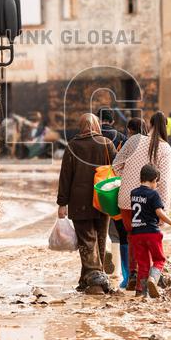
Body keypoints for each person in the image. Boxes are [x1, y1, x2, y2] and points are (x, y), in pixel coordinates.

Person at [57, 113, 118, 294]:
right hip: (103, 197)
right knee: (99, 239)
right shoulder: (107, 144)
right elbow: (118, 168)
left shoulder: (73, 146)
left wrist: (62, 203)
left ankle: (95, 280)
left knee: (87, 240)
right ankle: (87, 280)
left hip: (79, 201)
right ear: (97, 126)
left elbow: (65, 177)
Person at [117, 112, 171, 291]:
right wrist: (162, 209)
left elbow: (116, 165)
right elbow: (163, 181)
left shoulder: (134, 141)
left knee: (133, 236)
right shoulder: (165, 149)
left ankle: (133, 275)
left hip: (127, 198)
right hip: (150, 202)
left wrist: (127, 180)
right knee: (151, 238)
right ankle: (151, 276)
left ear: (149, 125)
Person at [128, 164, 171, 297]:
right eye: (156, 182)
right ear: (154, 180)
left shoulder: (133, 193)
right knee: (159, 260)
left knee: (142, 264)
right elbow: (159, 212)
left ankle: (141, 292)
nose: (156, 185)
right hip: (151, 232)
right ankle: (153, 279)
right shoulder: (153, 194)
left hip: (136, 234)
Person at [108, 117, 145, 288]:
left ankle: (128, 275)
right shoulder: (152, 144)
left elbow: (116, 166)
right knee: (145, 235)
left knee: (125, 235)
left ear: (130, 130)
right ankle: (146, 275)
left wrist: (125, 177)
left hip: (125, 195)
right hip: (148, 196)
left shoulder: (129, 142)